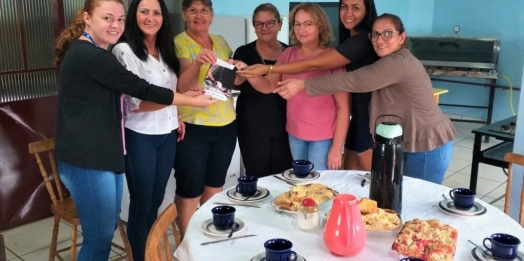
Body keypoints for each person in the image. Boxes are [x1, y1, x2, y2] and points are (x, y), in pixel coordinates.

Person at [54, 0, 216, 260]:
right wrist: (191, 102)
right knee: (99, 238)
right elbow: (140, 91)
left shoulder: (100, 52)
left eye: (118, 19)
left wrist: (176, 112)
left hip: (105, 151)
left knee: (113, 227)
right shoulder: (93, 55)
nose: (115, 25)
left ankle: (145, 253)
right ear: (87, 18)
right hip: (87, 156)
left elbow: (117, 101)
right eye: (107, 18)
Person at [274, 13, 456, 184]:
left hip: (428, 142)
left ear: (402, 37)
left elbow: (353, 80)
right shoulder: (385, 60)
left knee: (417, 199)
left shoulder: (398, 62)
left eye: (387, 33)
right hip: (407, 141)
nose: (380, 39)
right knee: (402, 195)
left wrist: (303, 85)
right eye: (375, 34)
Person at [238, 0, 378, 172]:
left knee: (319, 187)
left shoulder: (332, 58)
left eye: (308, 24)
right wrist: (247, 72)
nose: (301, 30)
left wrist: (336, 147)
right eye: (297, 24)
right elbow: (268, 86)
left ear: (320, 26)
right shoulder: (288, 53)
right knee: (301, 185)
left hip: (323, 138)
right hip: (295, 134)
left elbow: (344, 108)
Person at [110, 0, 184, 259]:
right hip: (139, 136)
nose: (151, 18)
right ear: (134, 15)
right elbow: (136, 104)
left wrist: (178, 114)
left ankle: (148, 251)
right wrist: (182, 101)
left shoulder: (165, 48)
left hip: (167, 134)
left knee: (156, 199)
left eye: (156, 12)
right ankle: (141, 256)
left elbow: (170, 90)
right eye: (144, 12)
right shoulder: (124, 50)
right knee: (141, 203)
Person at [173, 0, 237, 239]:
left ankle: (210, 238)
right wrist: (199, 62)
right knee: (190, 189)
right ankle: (188, 243)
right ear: (184, 15)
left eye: (204, 10)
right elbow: (181, 87)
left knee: (215, 185)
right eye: (193, 10)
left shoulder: (221, 41)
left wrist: (236, 66)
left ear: (212, 15)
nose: (199, 15)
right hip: (193, 127)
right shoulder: (179, 42)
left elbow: (230, 80)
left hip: (226, 124)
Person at [232, 3, 292, 177]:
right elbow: (235, 81)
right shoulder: (244, 52)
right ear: (254, 26)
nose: (264, 28)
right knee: (256, 177)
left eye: (270, 23)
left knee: (283, 177)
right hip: (252, 125)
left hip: (285, 125)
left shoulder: (290, 52)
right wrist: (235, 68)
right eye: (259, 24)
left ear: (280, 24)